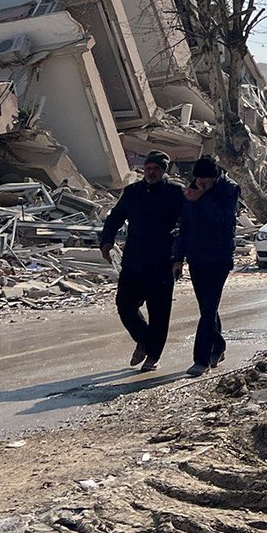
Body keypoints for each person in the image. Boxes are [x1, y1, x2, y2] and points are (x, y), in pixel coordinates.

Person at [100, 150, 184, 372]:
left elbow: (188, 226)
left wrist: (179, 257)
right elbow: (114, 219)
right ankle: (144, 339)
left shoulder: (175, 193)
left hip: (162, 261)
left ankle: (153, 356)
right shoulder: (132, 192)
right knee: (124, 305)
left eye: (155, 169)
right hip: (133, 261)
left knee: (159, 312)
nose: (151, 172)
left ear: (163, 170)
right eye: (148, 168)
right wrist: (106, 242)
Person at [172, 155, 240, 377]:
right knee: (207, 308)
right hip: (197, 257)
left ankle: (201, 359)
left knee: (209, 307)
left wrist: (202, 198)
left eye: (205, 180)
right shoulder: (191, 192)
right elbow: (185, 227)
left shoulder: (229, 190)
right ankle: (218, 346)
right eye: (198, 179)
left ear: (214, 177)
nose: (201, 183)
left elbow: (224, 219)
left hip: (219, 257)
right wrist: (178, 258)